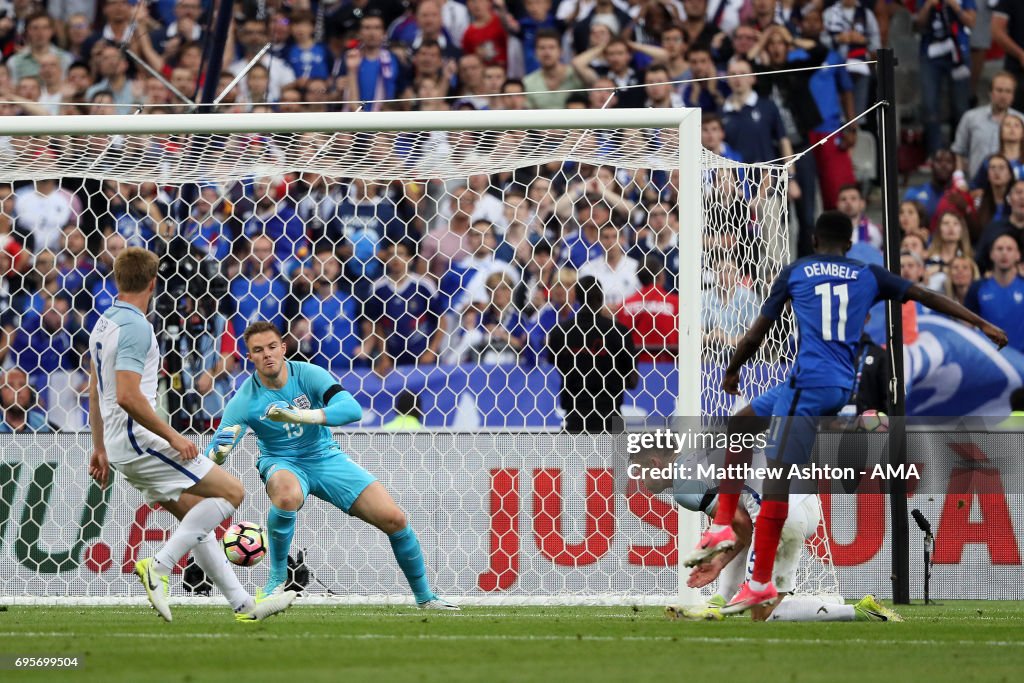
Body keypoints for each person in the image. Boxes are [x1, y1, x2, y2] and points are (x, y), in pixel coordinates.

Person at [684, 211, 1008, 616]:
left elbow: (756, 334)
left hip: (808, 386)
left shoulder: (799, 271)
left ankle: (758, 578)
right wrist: (982, 325)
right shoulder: (869, 274)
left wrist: (733, 368)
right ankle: (726, 530)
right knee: (744, 421)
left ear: (815, 241)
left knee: (776, 484)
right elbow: (927, 296)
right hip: (835, 385)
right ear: (850, 245)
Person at [86, 248, 296, 623]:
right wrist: (175, 438)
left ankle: (243, 605)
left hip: (120, 443)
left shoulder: (104, 323)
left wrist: (99, 445)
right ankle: (160, 567)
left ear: (117, 280)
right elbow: (126, 395)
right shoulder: (137, 327)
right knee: (232, 492)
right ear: (153, 283)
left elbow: (94, 386)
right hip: (140, 440)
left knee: (195, 520)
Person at [207, 321, 458, 610]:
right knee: (287, 495)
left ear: (284, 348)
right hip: (282, 461)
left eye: (272, 347)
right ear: (249, 356)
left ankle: (426, 598)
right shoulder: (244, 400)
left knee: (395, 519)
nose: (267, 355)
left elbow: (350, 409)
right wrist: (220, 454)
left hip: (325, 457)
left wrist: (301, 416)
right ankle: (277, 579)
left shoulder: (308, 374)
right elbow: (216, 450)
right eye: (258, 350)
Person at [631, 448, 902, 623]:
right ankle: (717, 602)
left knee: (765, 613)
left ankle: (861, 612)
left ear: (655, 462)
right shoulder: (699, 451)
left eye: (640, 472)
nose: (640, 482)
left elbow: (743, 526)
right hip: (806, 501)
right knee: (758, 580)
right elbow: (746, 529)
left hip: (779, 514)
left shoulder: (684, 486)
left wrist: (718, 563)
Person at [546, 276, 637, 433]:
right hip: (611, 417)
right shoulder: (619, 332)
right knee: (618, 458)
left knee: (573, 458)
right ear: (601, 298)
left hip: (574, 417)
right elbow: (633, 381)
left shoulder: (559, 332)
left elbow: (555, 364)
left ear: (576, 297)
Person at [952, 72, 1021, 178]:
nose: (1003, 95)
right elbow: (959, 151)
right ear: (990, 92)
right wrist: (959, 179)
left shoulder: (1021, 120)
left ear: (1013, 95)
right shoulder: (971, 117)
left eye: (1008, 91)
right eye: (999, 90)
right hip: (977, 186)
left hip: (1014, 188)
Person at [965, 234, 1024, 353]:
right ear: (991, 254)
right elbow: (967, 327)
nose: (1004, 253)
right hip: (990, 361)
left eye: (1009, 249)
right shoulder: (977, 288)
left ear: (1018, 255)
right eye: (999, 248)